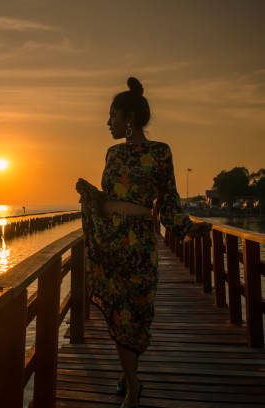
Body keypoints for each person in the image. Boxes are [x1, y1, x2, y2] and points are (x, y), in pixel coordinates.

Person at [75, 77, 211, 408]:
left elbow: (168, 203)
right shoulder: (112, 153)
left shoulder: (160, 153)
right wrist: (90, 194)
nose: (108, 123)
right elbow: (108, 199)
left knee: (136, 313)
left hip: (140, 245)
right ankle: (134, 385)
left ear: (129, 119)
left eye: (112, 116)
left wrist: (188, 228)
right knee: (119, 312)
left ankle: (128, 373)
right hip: (112, 243)